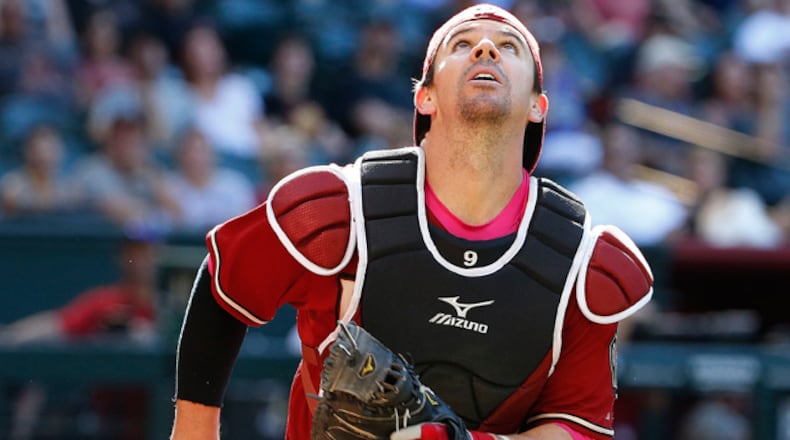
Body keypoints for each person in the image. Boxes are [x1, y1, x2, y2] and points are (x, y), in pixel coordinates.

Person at [170, 4, 654, 440]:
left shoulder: (582, 260)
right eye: (462, 45)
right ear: (424, 97)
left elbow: (579, 429)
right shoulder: (337, 207)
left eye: (508, 47)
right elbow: (224, 286)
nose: (485, 47)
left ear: (537, 106)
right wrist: (193, 431)